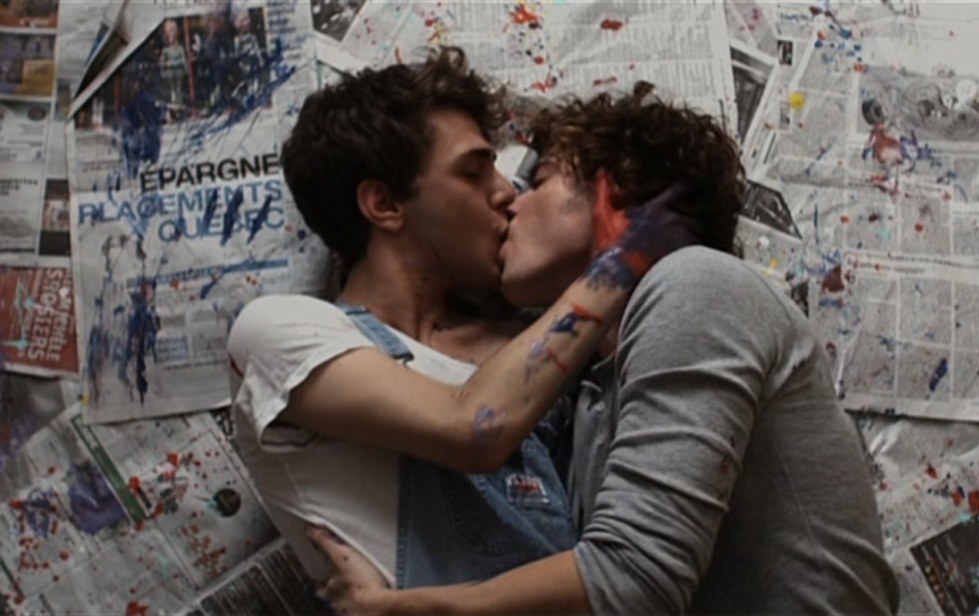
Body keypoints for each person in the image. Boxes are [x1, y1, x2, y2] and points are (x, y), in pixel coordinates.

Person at [312, 82, 901, 614]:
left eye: (539, 181)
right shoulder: (592, 389)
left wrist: (403, 609)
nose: (511, 201)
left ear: (611, 192)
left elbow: (634, 581)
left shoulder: (697, 286)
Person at [226, 47, 694, 592]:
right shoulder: (282, 331)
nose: (507, 192)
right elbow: (474, 427)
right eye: (474, 172)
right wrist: (620, 261)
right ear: (384, 205)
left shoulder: (541, 344)